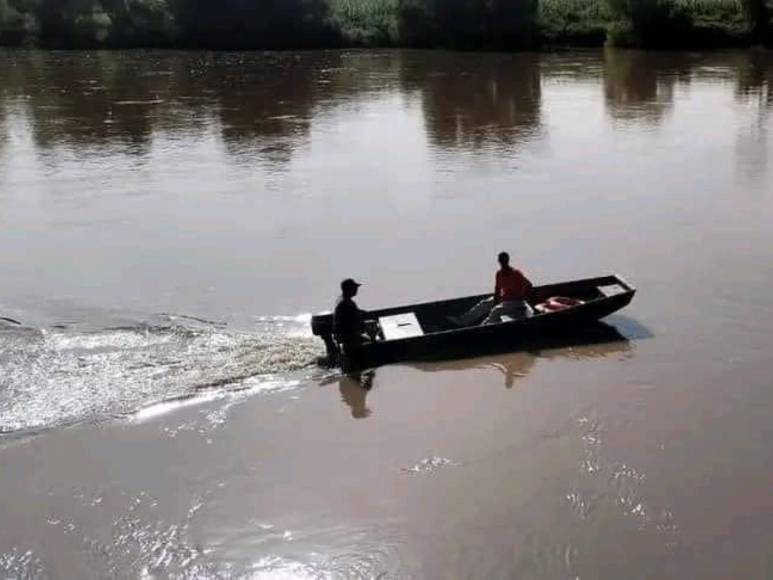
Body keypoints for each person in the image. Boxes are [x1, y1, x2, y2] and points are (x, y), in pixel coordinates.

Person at [451, 252, 533, 326]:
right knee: (485, 304)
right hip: (504, 300)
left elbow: (529, 285)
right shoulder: (499, 274)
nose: (503, 263)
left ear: (507, 260)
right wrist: (494, 303)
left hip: (515, 302)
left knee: (495, 312)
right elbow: (497, 291)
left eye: (504, 260)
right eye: (501, 260)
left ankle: (485, 327)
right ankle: (463, 321)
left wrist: (521, 299)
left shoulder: (516, 273)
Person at [333, 278, 370, 367]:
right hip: (349, 336)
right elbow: (352, 319)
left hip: (345, 335)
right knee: (371, 345)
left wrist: (360, 313)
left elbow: (354, 313)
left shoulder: (343, 300)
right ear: (349, 289)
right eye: (355, 288)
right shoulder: (346, 303)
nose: (356, 290)